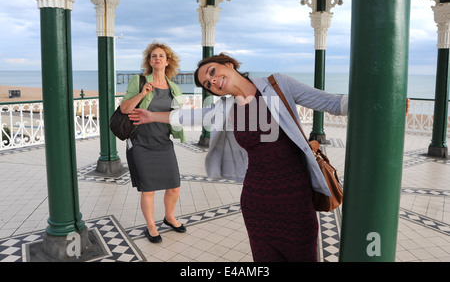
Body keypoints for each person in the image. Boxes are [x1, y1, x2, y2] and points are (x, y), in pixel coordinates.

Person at [128, 53, 348, 260]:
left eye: (212, 72)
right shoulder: (227, 108)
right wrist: (151, 115)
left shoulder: (277, 85)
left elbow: (332, 103)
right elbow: (191, 116)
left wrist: (374, 94)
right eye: (207, 84)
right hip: (256, 202)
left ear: (229, 65)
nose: (212, 82)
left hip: (295, 199)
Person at [120, 42, 186, 243]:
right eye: (153, 56)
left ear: (167, 62)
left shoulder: (174, 88)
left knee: (174, 186)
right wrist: (143, 93)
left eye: (161, 56)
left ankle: (169, 217)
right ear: (149, 61)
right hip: (141, 143)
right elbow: (124, 109)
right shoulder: (139, 81)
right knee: (148, 189)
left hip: (163, 143)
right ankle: (151, 226)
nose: (157, 58)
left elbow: (176, 116)